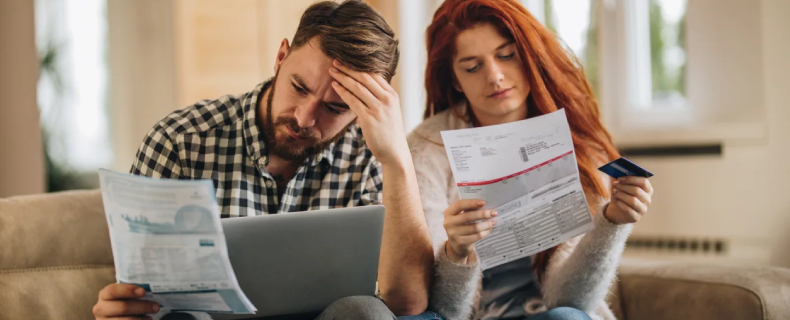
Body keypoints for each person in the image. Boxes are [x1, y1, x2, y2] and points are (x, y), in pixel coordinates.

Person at [92, 1, 436, 319]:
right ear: (281, 57)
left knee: (366, 312)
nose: (304, 118)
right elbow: (138, 294)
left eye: (335, 108)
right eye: (299, 87)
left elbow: (407, 303)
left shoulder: (371, 156)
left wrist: (397, 162)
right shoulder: (180, 143)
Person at [407, 0, 654, 319]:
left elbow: (571, 302)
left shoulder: (577, 143)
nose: (494, 76)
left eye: (506, 55)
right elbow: (442, 310)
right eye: (472, 66)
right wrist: (456, 252)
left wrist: (613, 223)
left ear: (528, 54)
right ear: (455, 80)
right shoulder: (426, 148)